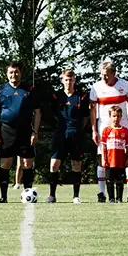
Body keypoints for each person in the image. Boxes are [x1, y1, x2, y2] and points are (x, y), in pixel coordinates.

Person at [0, 62, 42, 203]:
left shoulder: (29, 90)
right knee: (5, 162)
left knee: (27, 162)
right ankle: (3, 196)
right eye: (11, 72)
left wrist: (35, 131)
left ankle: (28, 194)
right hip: (6, 130)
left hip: (25, 130)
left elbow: (37, 112)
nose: (14, 75)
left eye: (16, 72)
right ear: (7, 74)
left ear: (21, 73)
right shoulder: (0, 90)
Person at [90, 60, 128, 203]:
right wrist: (94, 130)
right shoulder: (96, 87)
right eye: (102, 75)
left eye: (106, 75)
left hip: (123, 128)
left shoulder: (125, 85)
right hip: (104, 128)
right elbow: (92, 110)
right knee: (102, 160)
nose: (103, 78)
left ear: (114, 73)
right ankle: (102, 193)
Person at [48, 69, 90, 203]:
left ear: (74, 80)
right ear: (62, 80)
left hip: (76, 133)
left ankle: (76, 196)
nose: (68, 82)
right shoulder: (56, 96)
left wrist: (77, 128)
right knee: (54, 163)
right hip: (60, 132)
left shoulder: (81, 97)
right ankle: (52, 195)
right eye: (66, 79)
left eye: (71, 80)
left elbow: (85, 116)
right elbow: (52, 114)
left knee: (76, 164)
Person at [101, 106, 128, 203]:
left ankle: (119, 198)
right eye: (114, 116)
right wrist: (103, 158)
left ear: (121, 116)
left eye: (118, 116)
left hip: (120, 160)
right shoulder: (106, 130)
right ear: (110, 116)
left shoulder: (125, 130)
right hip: (110, 160)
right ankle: (111, 198)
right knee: (109, 180)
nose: (116, 118)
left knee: (120, 180)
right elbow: (103, 147)